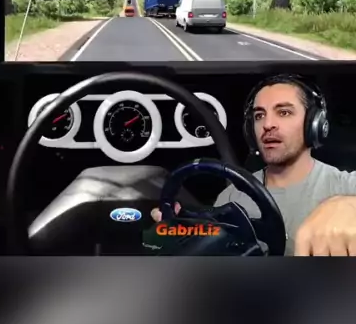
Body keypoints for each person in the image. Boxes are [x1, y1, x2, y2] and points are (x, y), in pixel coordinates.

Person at [151, 74, 356, 255]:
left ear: (314, 124)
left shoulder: (346, 185)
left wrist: (348, 205)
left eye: (284, 112)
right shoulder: (231, 196)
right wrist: (182, 232)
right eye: (259, 116)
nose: (267, 124)